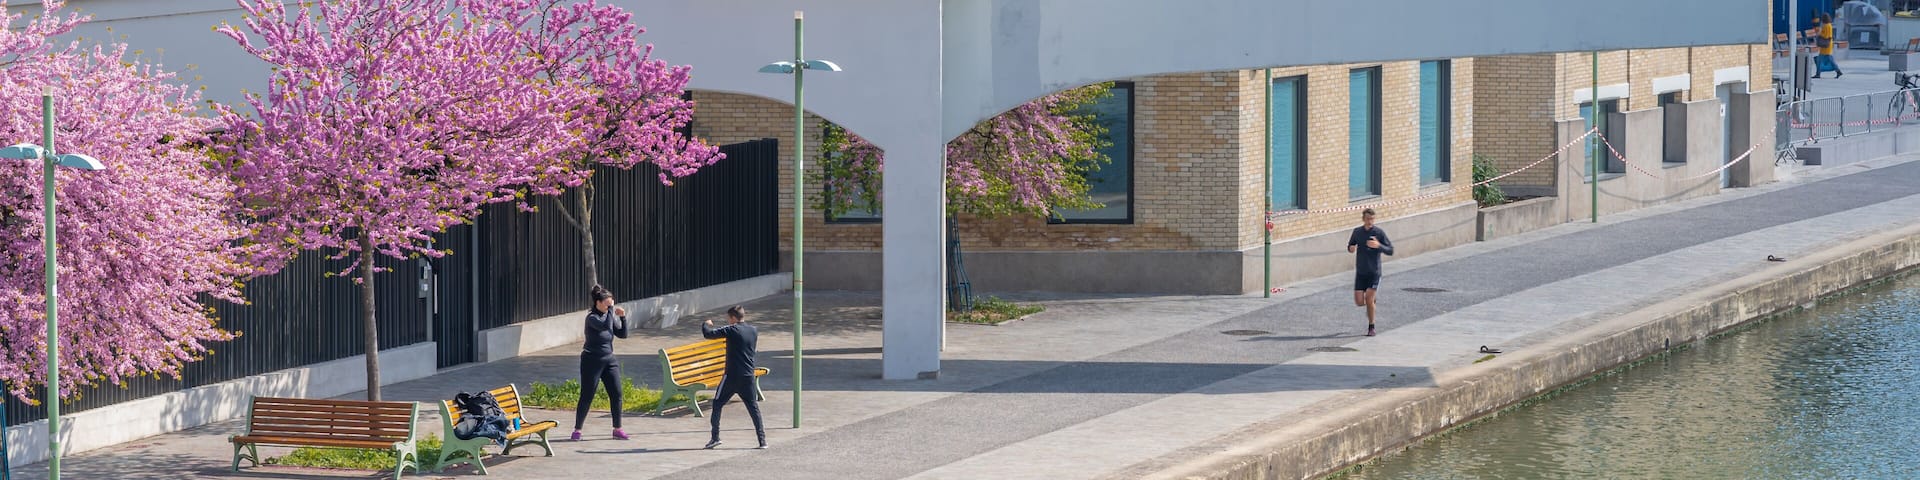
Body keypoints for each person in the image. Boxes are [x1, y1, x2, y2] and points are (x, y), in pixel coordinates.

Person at [702, 306, 766, 450]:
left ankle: (715, 438)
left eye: (728, 318)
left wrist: (706, 323)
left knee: (717, 404)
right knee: (753, 407)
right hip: (748, 375)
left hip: (731, 376)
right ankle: (762, 441)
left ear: (732, 318)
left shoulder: (731, 329)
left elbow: (708, 334)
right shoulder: (753, 330)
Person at [572, 285, 630, 441]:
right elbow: (604, 325)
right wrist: (611, 311)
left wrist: (623, 318)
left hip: (609, 359)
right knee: (587, 395)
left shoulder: (609, 317)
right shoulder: (592, 318)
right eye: (607, 304)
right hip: (592, 360)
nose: (610, 307)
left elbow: (623, 334)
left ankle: (617, 428)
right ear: (598, 302)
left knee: (616, 393)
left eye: (611, 304)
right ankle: (577, 429)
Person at [1346, 208, 1394, 337]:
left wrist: (1379, 245)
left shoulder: (1379, 233)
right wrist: (1351, 248)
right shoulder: (1357, 232)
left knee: (1369, 298)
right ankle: (1371, 302)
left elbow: (1390, 250)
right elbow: (1350, 246)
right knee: (1359, 302)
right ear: (1363, 219)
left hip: (1374, 272)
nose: (1370, 222)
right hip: (1361, 272)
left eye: (1372, 219)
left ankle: (1371, 327)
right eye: (1367, 219)